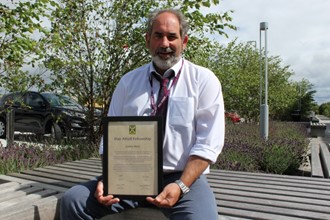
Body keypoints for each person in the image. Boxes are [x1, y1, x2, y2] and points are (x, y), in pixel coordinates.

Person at [60, 8, 225, 220]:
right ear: (148, 40)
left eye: (172, 36)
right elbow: (110, 139)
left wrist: (181, 185)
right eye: (158, 36)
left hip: (183, 178)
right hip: (130, 175)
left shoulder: (203, 81)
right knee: (73, 201)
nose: (165, 43)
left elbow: (208, 144)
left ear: (184, 41)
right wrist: (110, 178)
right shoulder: (128, 83)